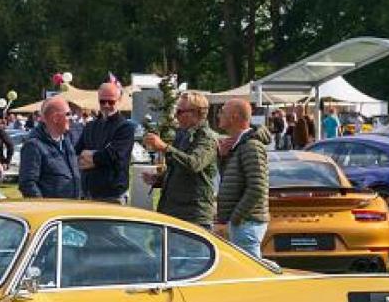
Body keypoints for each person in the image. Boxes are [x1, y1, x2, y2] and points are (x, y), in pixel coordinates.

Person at [142, 92, 218, 229]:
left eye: (180, 111)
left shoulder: (207, 138)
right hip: (173, 211)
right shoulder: (182, 134)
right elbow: (179, 168)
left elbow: (194, 164)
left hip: (193, 215)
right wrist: (159, 179)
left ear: (195, 113)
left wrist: (164, 147)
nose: (176, 115)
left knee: (191, 251)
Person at [216, 99, 270, 258]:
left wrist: (235, 219)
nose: (219, 115)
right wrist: (223, 158)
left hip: (247, 223)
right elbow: (232, 180)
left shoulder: (251, 145)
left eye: (222, 112)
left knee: (252, 274)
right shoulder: (240, 145)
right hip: (243, 222)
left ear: (233, 117)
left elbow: (258, 187)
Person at [76, 82, 137, 204]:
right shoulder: (90, 126)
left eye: (111, 102)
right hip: (88, 193)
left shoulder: (126, 128)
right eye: (102, 101)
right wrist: (98, 156)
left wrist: (92, 157)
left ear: (119, 101)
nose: (106, 105)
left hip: (112, 195)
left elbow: (112, 156)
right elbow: (78, 153)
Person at [18, 96, 81, 198]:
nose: (71, 118)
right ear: (55, 118)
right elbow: (27, 184)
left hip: (72, 209)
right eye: (68, 114)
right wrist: (44, 207)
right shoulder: (34, 146)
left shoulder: (67, 140)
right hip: (53, 211)